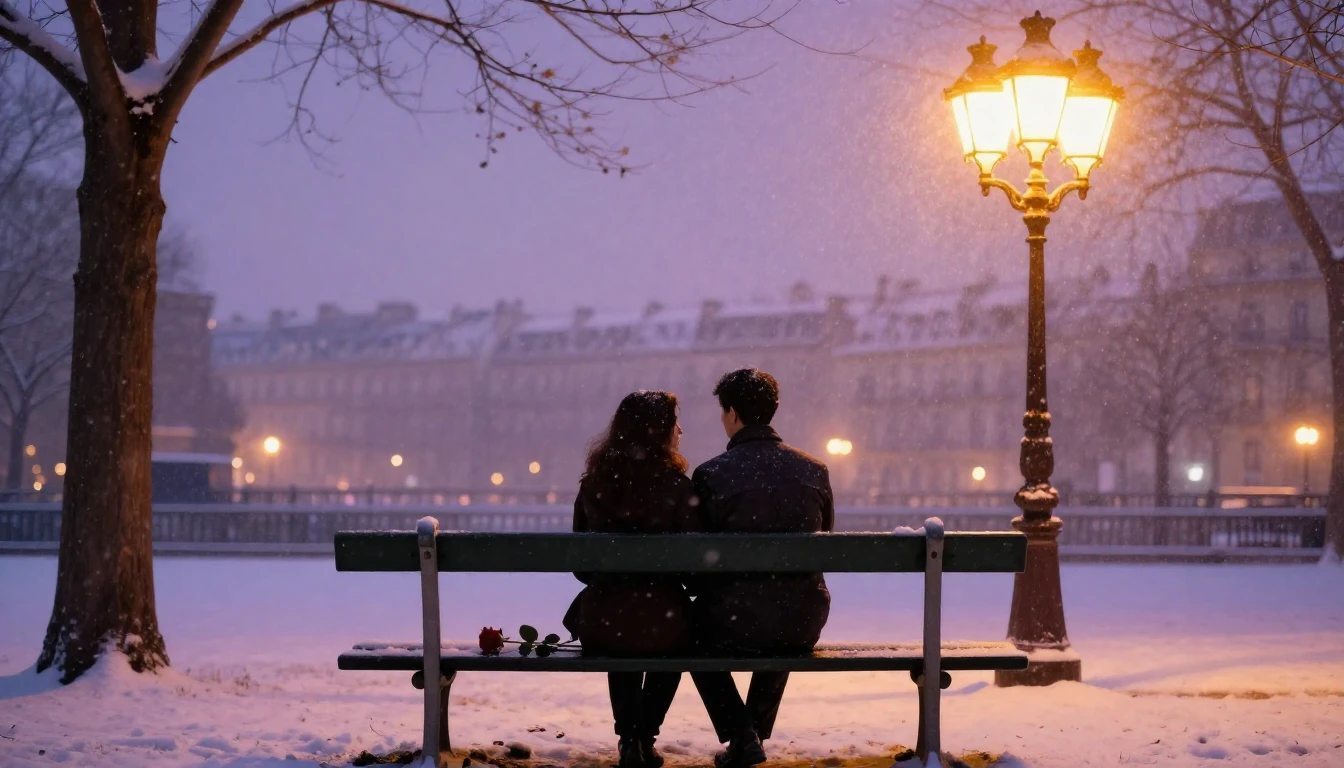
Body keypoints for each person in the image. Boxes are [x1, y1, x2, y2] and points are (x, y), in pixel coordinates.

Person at [688, 368, 835, 768]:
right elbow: (822, 543)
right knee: (786, 603)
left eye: (723, 412)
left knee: (689, 634)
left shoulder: (711, 474)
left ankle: (741, 733)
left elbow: (697, 563)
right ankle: (748, 734)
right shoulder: (814, 470)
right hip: (802, 621)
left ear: (732, 413)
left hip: (732, 620)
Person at [566, 390, 700, 768]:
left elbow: (581, 566)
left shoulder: (594, 484)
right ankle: (644, 734)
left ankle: (628, 736)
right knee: (667, 631)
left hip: (602, 623)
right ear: (659, 432)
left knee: (621, 624)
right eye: (675, 423)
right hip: (665, 623)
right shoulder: (679, 487)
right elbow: (694, 568)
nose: (680, 430)